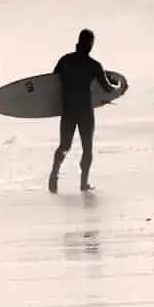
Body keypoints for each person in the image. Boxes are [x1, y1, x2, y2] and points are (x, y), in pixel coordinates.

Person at [48, 29, 125, 193]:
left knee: (64, 145)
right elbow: (108, 88)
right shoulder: (94, 66)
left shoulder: (65, 61)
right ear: (90, 44)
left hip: (68, 108)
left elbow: (52, 82)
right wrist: (120, 85)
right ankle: (83, 184)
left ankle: (53, 176)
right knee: (87, 148)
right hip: (84, 111)